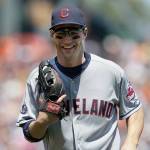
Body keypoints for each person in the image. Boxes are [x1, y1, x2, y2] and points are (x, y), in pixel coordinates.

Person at [16, 5, 144, 150]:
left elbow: (135, 109)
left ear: (84, 32)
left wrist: (131, 143)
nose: (67, 40)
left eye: (73, 32)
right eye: (61, 33)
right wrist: (43, 121)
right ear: (52, 34)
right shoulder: (37, 77)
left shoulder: (111, 72)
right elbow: (29, 134)